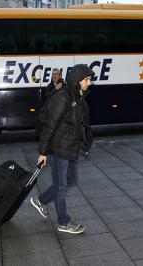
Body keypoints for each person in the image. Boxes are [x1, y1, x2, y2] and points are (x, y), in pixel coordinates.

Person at [30, 64, 94, 234]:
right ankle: (63, 222)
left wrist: (85, 144)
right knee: (61, 185)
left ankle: (41, 200)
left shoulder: (80, 97)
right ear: (77, 80)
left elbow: (81, 125)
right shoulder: (63, 98)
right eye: (87, 79)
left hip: (71, 148)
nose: (89, 83)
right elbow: (50, 126)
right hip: (58, 149)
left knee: (71, 180)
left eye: (90, 80)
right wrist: (43, 152)